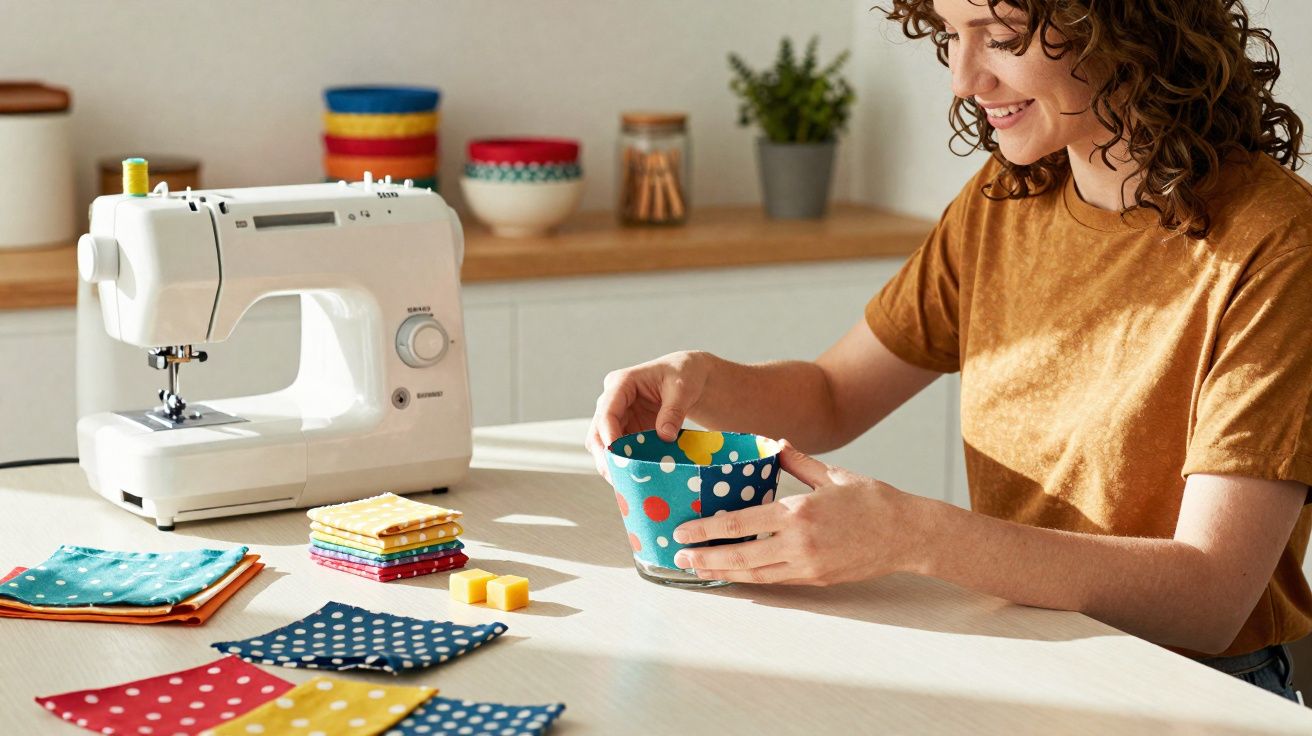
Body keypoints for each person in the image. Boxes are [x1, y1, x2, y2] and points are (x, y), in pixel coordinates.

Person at [586, 0, 1312, 702]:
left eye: (999, 36)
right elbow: (833, 396)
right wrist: (700, 379)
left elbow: (1213, 595)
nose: (965, 79)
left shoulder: (1277, 244)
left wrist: (916, 536)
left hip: (1198, 695)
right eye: (951, 35)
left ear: (1126, 25)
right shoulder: (1004, 201)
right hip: (1021, 658)